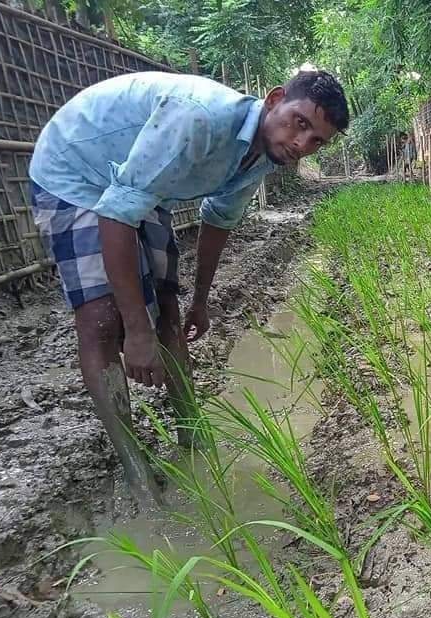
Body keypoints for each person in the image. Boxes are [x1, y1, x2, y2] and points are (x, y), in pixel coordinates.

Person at [28, 69, 348, 507]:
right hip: (76, 170)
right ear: (274, 100)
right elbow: (116, 214)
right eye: (300, 123)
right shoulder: (199, 119)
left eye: (316, 141)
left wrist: (200, 301)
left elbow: (218, 221)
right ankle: (137, 470)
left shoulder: (261, 156)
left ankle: (192, 437)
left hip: (141, 182)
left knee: (168, 308)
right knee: (103, 319)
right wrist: (137, 334)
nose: (301, 145)